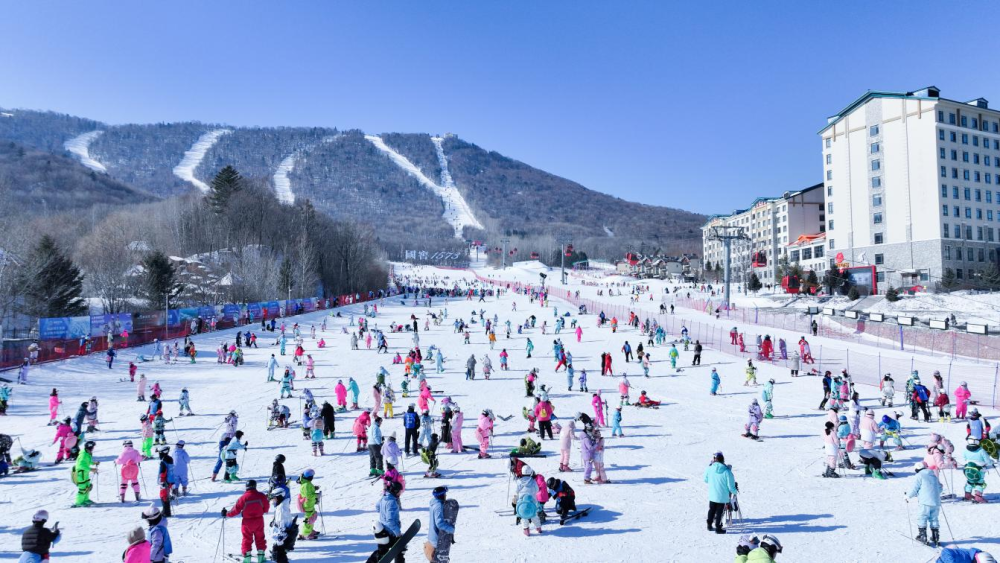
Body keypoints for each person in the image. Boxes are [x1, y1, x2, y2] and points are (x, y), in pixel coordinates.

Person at [222, 479, 271, 563]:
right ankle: (261, 557)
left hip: (247, 522)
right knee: (260, 537)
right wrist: (261, 511)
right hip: (259, 520)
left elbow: (235, 510)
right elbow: (266, 508)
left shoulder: (243, 498)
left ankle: (247, 558)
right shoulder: (261, 496)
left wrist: (226, 513)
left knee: (247, 538)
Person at [909, 462, 943, 547]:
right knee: (934, 518)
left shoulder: (919, 475)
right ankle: (935, 537)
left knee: (922, 517)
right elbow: (940, 488)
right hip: (936, 502)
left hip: (925, 502)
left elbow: (914, 489)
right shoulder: (933, 475)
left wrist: (908, 496)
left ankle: (923, 536)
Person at [704, 451, 737, 534]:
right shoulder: (727, 471)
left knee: (711, 510)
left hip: (712, 495)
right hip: (722, 496)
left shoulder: (709, 468)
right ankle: (718, 528)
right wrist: (735, 491)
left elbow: (706, 479)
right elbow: (731, 486)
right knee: (719, 512)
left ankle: (709, 525)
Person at [374, 481, 405, 562]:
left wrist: (383, 513)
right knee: (399, 550)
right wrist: (398, 533)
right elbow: (390, 521)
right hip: (390, 532)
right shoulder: (392, 502)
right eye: (399, 491)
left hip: (382, 530)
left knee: (382, 552)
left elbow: (377, 507)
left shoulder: (384, 498)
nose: (400, 494)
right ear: (395, 491)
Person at [425, 485, 456, 561]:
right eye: (445, 494)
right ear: (441, 495)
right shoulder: (438, 506)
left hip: (431, 539)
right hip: (437, 542)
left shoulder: (433, 503)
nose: (446, 496)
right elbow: (439, 523)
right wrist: (451, 529)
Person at [268, 488, 297, 563]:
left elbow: (282, 524)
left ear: (279, 497)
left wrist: (280, 539)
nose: (273, 500)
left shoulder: (281, 509)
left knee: (279, 556)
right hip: (282, 536)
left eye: (274, 498)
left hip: (282, 537)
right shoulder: (282, 506)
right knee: (279, 554)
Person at [514, 465, 543, 536]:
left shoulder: (519, 481)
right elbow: (537, 490)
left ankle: (526, 530)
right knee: (534, 515)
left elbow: (516, 491)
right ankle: (538, 528)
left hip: (522, 503)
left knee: (523, 516)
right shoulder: (533, 481)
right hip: (532, 502)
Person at [73, 440, 99, 507]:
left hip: (85, 473)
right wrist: (91, 469)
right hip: (81, 474)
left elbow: (87, 462)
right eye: (93, 447)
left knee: (87, 486)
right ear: (90, 447)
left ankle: (85, 499)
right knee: (83, 488)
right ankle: (79, 502)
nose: (93, 448)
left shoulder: (87, 453)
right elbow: (81, 465)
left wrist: (94, 463)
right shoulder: (83, 455)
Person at [298, 469, 321, 540]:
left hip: (310, 504)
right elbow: (308, 495)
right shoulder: (306, 485)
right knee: (309, 520)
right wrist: (317, 495)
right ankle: (306, 534)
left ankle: (310, 530)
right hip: (308, 505)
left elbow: (308, 491)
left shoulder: (306, 483)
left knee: (312, 517)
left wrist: (314, 488)